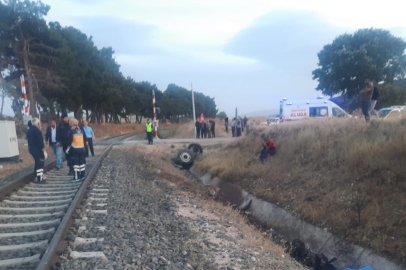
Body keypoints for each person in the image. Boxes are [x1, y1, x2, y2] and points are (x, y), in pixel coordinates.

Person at [27, 118, 48, 183]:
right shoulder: (37, 131)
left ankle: (35, 176)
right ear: (38, 124)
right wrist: (44, 151)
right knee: (40, 163)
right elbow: (40, 142)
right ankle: (40, 179)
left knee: (37, 162)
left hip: (31, 150)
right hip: (38, 150)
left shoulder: (29, 131)